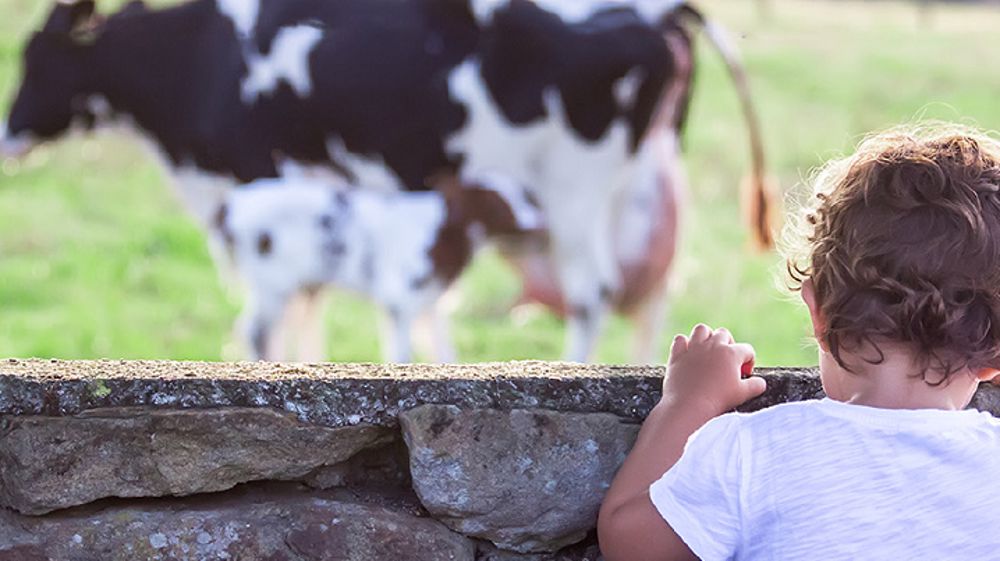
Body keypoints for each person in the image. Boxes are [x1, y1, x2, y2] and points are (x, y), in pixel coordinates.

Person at [597, 124, 1000, 561]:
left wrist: (687, 402)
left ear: (819, 313)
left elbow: (629, 540)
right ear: (993, 356)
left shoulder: (753, 452)